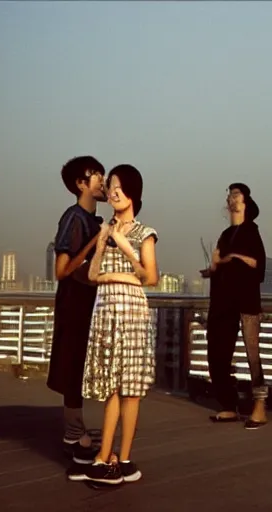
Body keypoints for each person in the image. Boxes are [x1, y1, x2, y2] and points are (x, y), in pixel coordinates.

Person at [68, 164, 158, 485]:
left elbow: (151, 277)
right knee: (112, 388)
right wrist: (108, 243)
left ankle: (118, 458)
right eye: (111, 187)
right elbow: (92, 276)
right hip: (106, 311)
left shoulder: (144, 232)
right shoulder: (104, 232)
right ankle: (106, 457)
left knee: (130, 388)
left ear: (133, 192)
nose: (114, 192)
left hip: (132, 313)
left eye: (120, 186)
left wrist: (125, 249)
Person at [47, 156, 106, 464]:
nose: (103, 180)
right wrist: (96, 242)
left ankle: (77, 432)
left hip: (88, 306)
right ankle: (75, 438)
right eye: (96, 175)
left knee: (79, 368)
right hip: (74, 306)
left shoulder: (93, 220)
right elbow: (61, 270)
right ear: (81, 184)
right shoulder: (74, 217)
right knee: (72, 368)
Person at [200, 183, 268, 430]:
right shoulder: (225, 235)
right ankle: (228, 404)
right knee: (217, 351)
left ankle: (259, 406)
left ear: (246, 203)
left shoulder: (251, 231)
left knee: (252, 354)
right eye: (229, 194)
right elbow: (217, 263)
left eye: (236, 195)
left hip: (247, 300)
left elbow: (258, 265)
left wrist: (233, 258)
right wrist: (213, 268)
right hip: (222, 300)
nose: (231, 198)